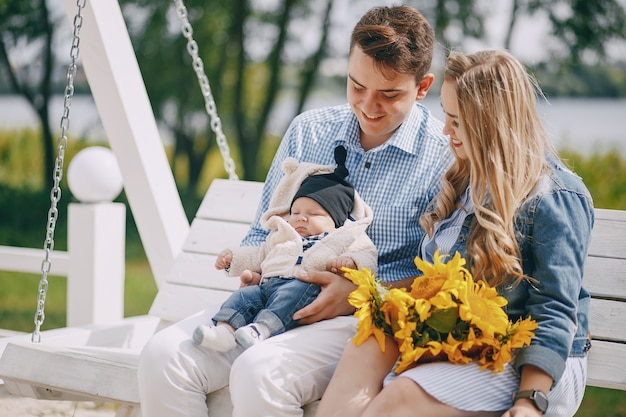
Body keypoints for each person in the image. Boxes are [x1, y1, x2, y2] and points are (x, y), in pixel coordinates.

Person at [137, 5, 454, 416]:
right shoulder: (308, 131)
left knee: (259, 371)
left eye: (389, 94)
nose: (369, 105)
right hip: (273, 296)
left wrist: (363, 295)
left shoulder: (444, 157)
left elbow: (441, 275)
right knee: (164, 357)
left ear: (424, 86)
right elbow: (261, 230)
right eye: (357, 86)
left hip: (365, 321)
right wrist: (255, 267)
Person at [316, 49, 594, 417]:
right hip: (459, 340)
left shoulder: (554, 197)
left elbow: (555, 310)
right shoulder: (463, 178)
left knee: (397, 400)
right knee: (368, 340)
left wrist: (530, 401)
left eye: (457, 121)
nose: (445, 130)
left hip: (528, 362)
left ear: (492, 124)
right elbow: (436, 281)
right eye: (446, 116)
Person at [192, 147, 377, 352]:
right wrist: (233, 260)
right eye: (295, 211)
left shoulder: (342, 239)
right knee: (242, 297)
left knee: (292, 294)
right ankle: (224, 331)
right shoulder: (281, 237)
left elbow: (367, 255)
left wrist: (351, 262)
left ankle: (262, 329)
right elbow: (259, 254)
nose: (300, 218)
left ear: (337, 221)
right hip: (266, 286)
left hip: (303, 287)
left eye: (313, 214)